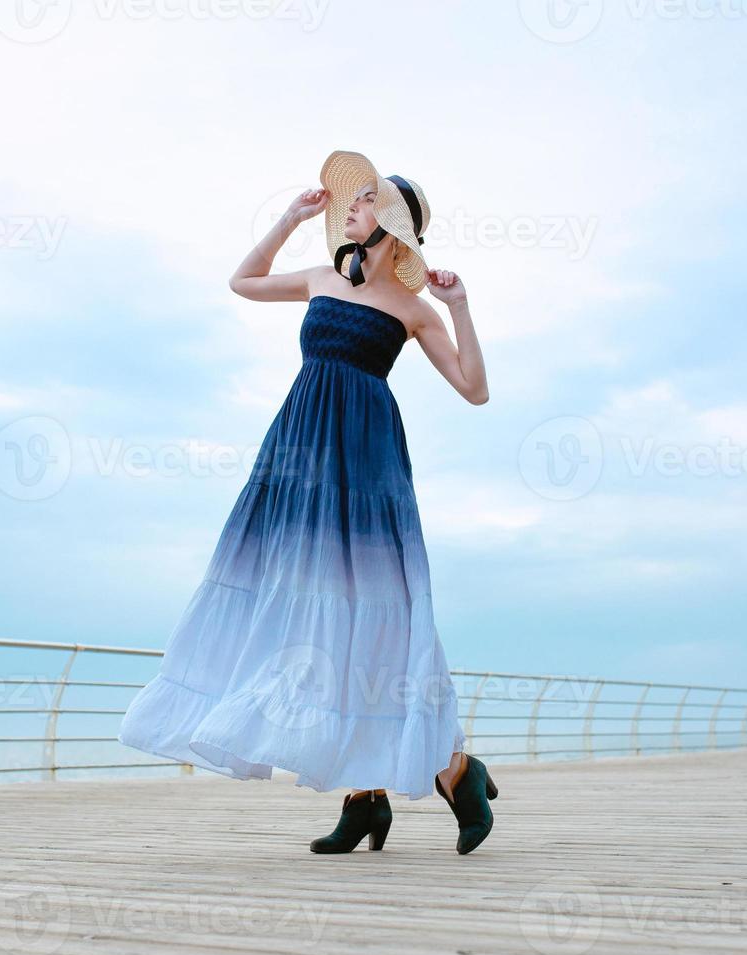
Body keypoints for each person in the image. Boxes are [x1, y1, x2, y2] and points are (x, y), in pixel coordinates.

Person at [118, 150, 496, 855]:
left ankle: (454, 770)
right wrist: (288, 221)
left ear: (388, 222)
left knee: (374, 611)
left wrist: (460, 306)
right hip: (299, 455)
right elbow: (243, 281)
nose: (345, 209)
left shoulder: (412, 309)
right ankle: (364, 798)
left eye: (361, 203)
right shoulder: (323, 276)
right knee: (306, 607)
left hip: (367, 464)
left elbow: (474, 388)